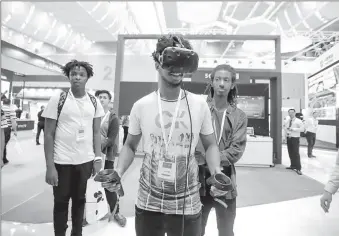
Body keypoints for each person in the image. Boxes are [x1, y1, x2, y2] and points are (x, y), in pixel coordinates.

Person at [103, 35, 224, 236]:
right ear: (157, 62)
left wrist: (216, 171)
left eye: (182, 62)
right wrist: (119, 170)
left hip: (187, 202)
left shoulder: (199, 105)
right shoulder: (141, 106)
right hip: (148, 201)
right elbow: (130, 146)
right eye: (171, 60)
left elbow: (210, 144)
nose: (177, 69)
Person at [42, 60, 105, 236]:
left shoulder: (94, 102)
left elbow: (96, 133)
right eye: (73, 74)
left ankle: (77, 233)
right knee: (61, 203)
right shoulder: (58, 99)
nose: (77, 77)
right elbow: (48, 134)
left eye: (81, 74)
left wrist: (97, 159)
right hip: (61, 162)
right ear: (69, 76)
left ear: (87, 78)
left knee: (80, 201)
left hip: (85, 161)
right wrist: (50, 166)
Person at [196, 64, 247, 236]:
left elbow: (236, 150)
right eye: (217, 79)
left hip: (225, 179)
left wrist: (208, 158)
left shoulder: (239, 116)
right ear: (211, 82)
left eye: (226, 80)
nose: (222, 84)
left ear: (232, 84)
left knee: (226, 230)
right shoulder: (199, 110)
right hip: (198, 179)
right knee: (195, 228)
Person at [95, 90, 126, 226]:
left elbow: (111, 139)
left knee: (110, 185)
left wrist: (97, 146)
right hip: (92, 156)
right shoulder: (93, 115)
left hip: (107, 156)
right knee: (91, 185)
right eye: (99, 97)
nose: (101, 99)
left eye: (104, 97)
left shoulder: (112, 117)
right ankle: (92, 213)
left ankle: (116, 212)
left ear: (109, 101)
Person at [284, 108, 304, 175]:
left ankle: (298, 168)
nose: (291, 114)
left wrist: (293, 129)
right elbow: (285, 129)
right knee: (290, 152)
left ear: (295, 113)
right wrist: (285, 136)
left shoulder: (298, 121)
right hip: (289, 138)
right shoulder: (287, 120)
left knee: (296, 153)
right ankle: (292, 165)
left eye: (292, 112)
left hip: (295, 138)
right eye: (289, 112)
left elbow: (302, 129)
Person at [2, 98, 17, 165]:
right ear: (10, 103)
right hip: (6, 128)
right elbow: (13, 121)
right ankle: (3, 159)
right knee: (3, 144)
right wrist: (15, 131)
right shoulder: (11, 110)